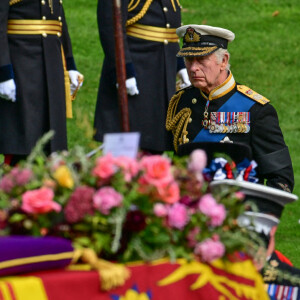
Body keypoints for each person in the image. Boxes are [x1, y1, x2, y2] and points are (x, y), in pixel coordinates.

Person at [166, 24, 294, 193]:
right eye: (189, 60)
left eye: (201, 60)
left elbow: (281, 179)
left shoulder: (256, 110)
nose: (193, 68)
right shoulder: (181, 101)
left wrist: (251, 212)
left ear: (223, 61)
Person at [93, 0, 191, 153]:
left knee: (155, 141)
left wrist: (179, 64)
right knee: (126, 148)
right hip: (136, 71)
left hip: (160, 74)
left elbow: (169, 31)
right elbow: (110, 25)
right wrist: (123, 70)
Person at [0, 0, 83, 165]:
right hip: (21, 64)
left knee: (52, 139)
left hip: (52, 64)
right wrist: (3, 72)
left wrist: (70, 64)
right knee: (24, 136)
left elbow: (58, 22)